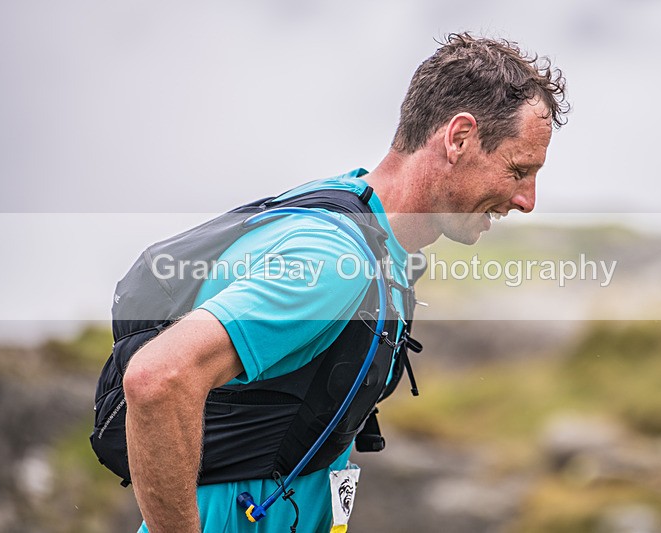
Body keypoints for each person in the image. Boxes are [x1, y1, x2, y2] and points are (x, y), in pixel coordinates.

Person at [122, 32, 568, 532]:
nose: (528, 200)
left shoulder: (360, 214)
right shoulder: (335, 260)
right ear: (458, 138)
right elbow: (157, 378)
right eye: (518, 169)